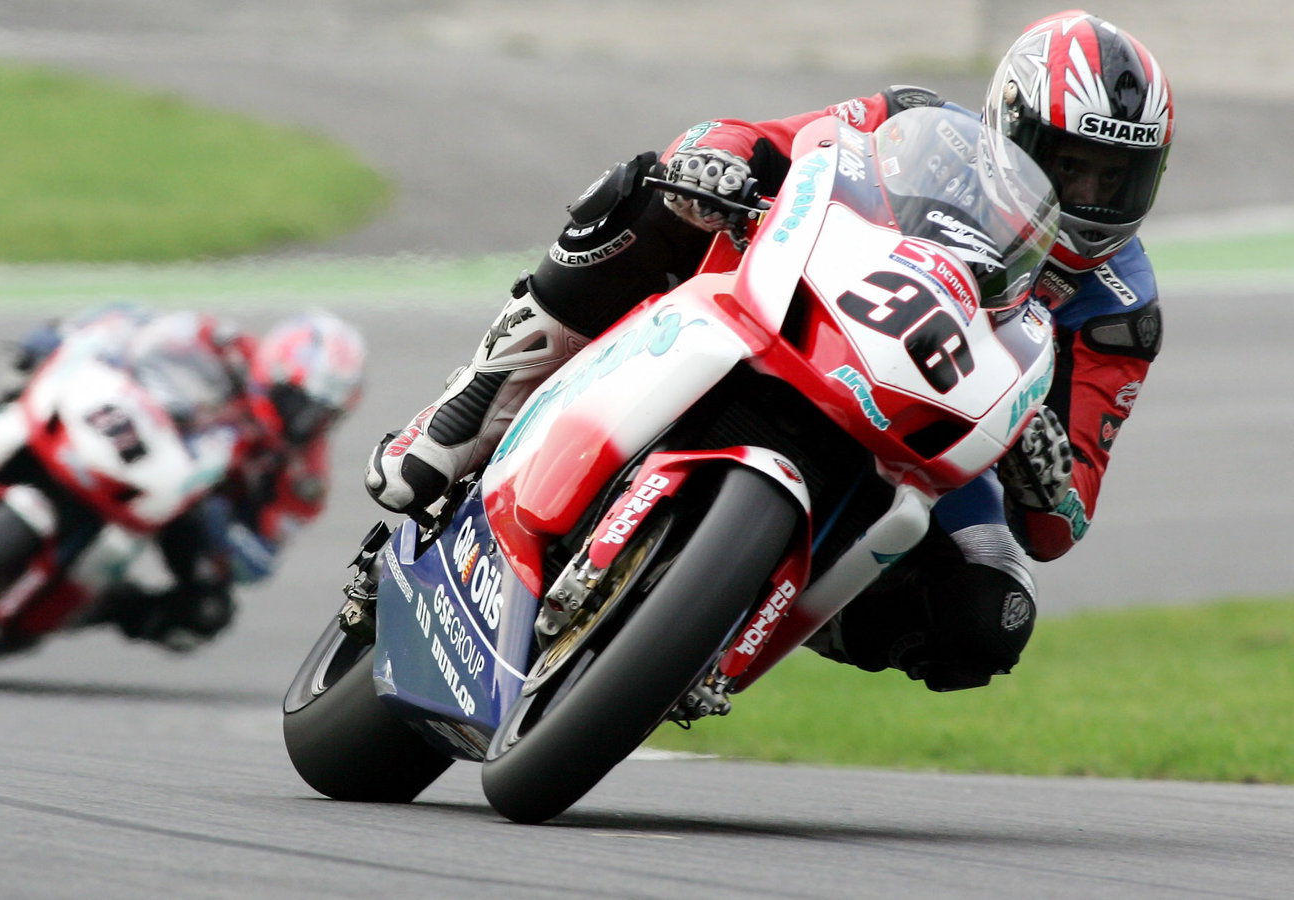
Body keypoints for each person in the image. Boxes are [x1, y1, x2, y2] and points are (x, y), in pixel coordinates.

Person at [364, 10, 1171, 690]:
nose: (1089, 196)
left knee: (991, 612)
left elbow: (1063, 520)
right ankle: (478, 398)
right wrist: (717, 158)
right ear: (1012, 125)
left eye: (1117, 178)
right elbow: (764, 139)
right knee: (646, 191)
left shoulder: (1119, 309)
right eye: (1072, 166)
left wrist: (1048, 474)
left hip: (923, 430)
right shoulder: (915, 126)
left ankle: (748, 609)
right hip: (790, 310)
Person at [5, 304, 367, 652]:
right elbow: (132, 325)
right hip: (130, 430)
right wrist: (70, 335)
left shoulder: (305, 478)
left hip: (182, 510)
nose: (302, 421)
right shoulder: (219, 342)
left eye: (320, 416)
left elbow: (261, 561)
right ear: (273, 368)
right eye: (297, 402)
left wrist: (221, 527)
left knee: (205, 614)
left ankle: (98, 607)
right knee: (38, 372)